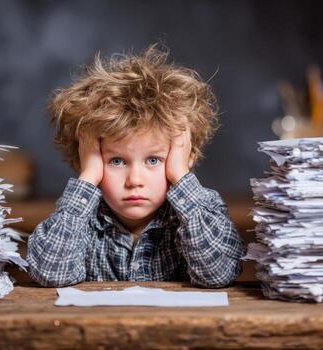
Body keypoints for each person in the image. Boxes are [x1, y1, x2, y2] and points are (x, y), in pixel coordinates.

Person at [27, 45, 245, 288]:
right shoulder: (80, 219)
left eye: (153, 160)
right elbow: (51, 273)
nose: (134, 180)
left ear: (183, 156)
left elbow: (219, 274)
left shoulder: (200, 212)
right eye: (117, 161)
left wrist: (180, 175)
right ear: (89, 158)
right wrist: (87, 176)